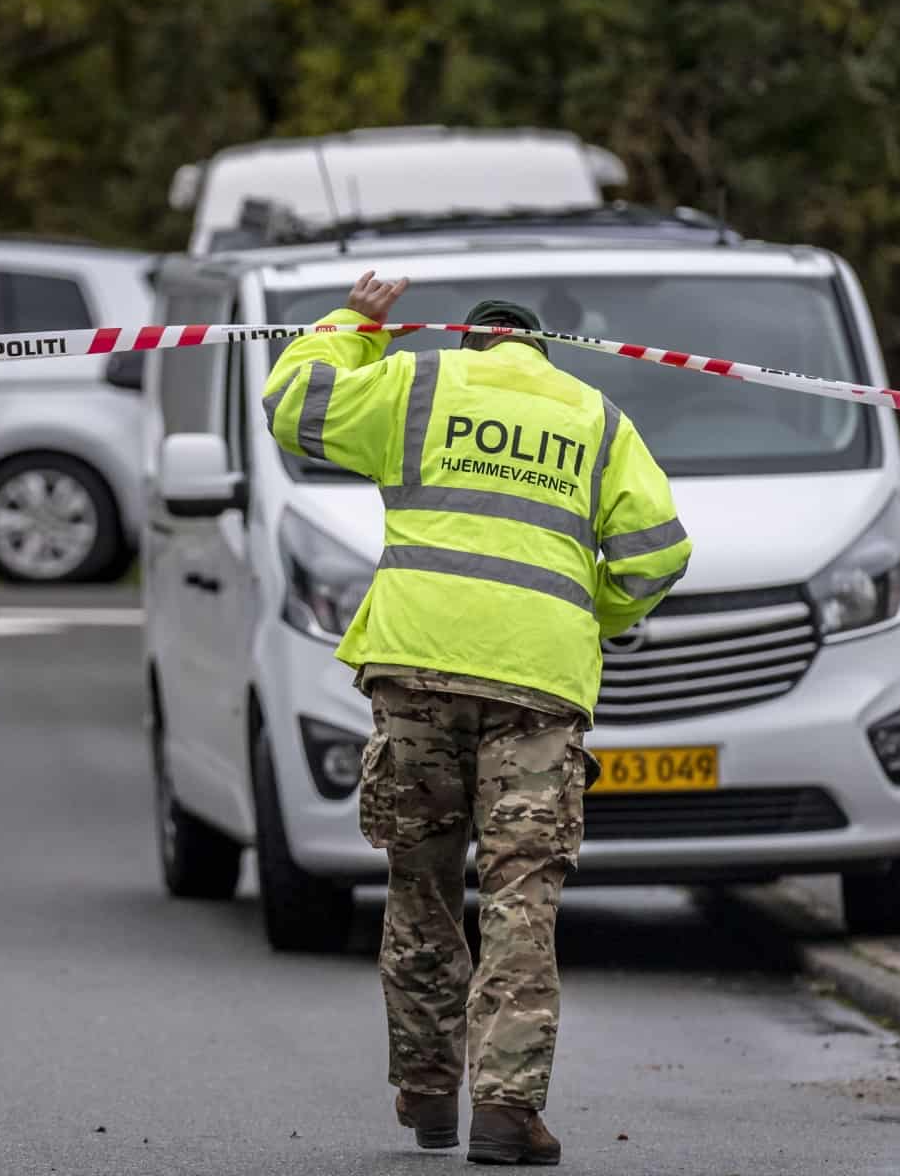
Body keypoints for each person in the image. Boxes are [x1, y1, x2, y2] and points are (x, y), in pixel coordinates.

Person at [261, 272, 690, 1166]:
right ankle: (506, 1111)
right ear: (537, 350)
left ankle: (427, 1097)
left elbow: (293, 403)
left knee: (422, 888)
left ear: (469, 344)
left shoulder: (417, 386)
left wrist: (357, 323)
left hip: (416, 670)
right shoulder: (595, 416)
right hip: (537, 686)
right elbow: (658, 553)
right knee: (520, 901)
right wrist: (591, 612)